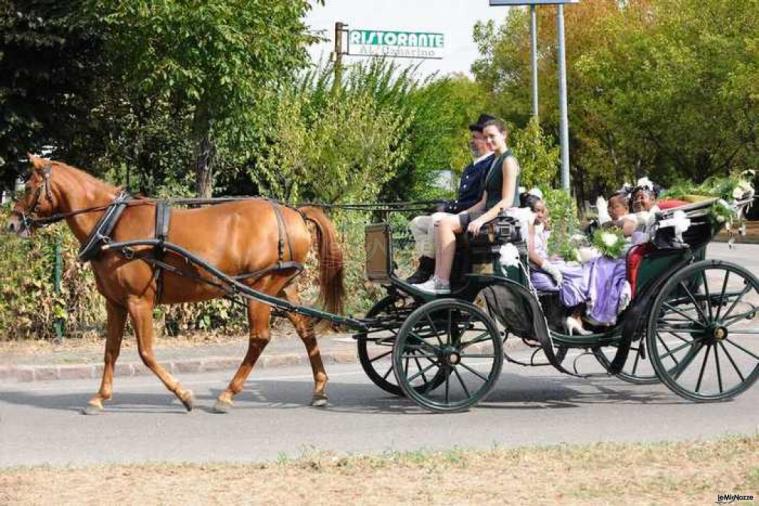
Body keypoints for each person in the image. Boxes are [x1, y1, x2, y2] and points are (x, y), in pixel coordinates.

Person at [412, 118, 520, 294]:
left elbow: (506, 201)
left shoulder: (508, 161)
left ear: (504, 134)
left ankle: (441, 282)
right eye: (485, 137)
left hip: (502, 219)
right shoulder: (494, 162)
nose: (488, 141)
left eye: (492, 136)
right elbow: (483, 202)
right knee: (442, 223)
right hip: (488, 213)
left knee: (445, 224)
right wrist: (458, 216)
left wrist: (480, 220)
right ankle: (435, 276)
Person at [406, 114, 496, 284]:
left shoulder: (490, 165)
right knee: (417, 223)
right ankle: (429, 262)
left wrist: (449, 208)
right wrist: (445, 205)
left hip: (475, 216)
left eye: (476, 138)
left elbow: (479, 201)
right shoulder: (471, 167)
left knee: (436, 220)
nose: (472, 141)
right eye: (472, 138)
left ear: (487, 141)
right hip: (461, 214)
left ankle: (426, 269)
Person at [523, 191, 591, 335]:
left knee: (583, 269)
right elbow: (531, 253)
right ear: (528, 211)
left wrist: (555, 257)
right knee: (585, 274)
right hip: (538, 271)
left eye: (542, 211)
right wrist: (551, 268)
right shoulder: (528, 225)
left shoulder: (535, 226)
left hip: (543, 265)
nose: (541, 215)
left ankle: (574, 316)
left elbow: (542, 251)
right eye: (537, 211)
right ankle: (574, 316)